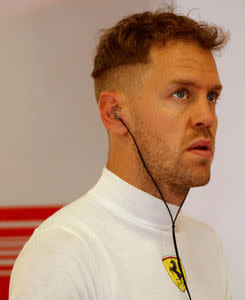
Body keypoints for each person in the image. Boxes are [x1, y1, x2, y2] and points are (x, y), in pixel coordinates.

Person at [10, 10, 231, 300]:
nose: (207, 117)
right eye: (181, 93)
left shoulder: (207, 244)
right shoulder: (64, 251)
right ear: (115, 114)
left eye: (211, 97)